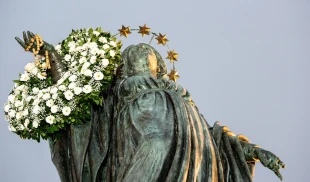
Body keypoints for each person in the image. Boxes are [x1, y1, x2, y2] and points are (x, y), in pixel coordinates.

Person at [16, 33, 285, 182]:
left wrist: (253, 151)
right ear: (121, 71)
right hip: (142, 161)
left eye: (147, 54)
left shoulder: (184, 102)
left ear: (159, 68)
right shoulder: (116, 99)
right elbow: (77, 109)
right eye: (134, 56)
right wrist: (53, 58)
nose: (141, 54)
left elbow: (213, 141)